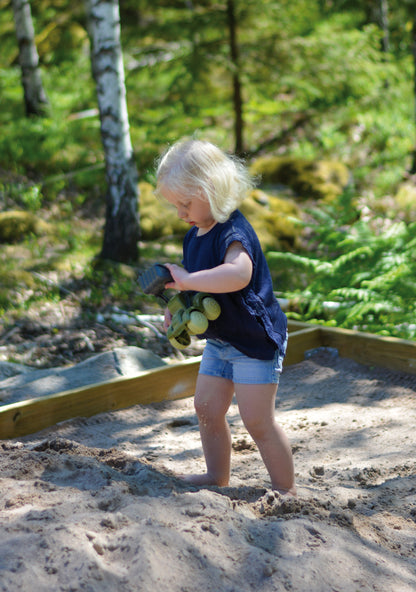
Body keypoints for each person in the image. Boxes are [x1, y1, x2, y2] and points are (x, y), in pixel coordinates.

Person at [155, 138, 296, 496]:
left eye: (185, 203)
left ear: (210, 190)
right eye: (176, 206)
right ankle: (216, 476)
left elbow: (238, 274)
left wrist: (185, 278)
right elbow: (199, 289)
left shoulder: (233, 232)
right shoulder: (194, 235)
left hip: (252, 340)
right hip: (220, 340)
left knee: (257, 421)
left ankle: (285, 490)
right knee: (205, 407)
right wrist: (178, 312)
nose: (180, 213)